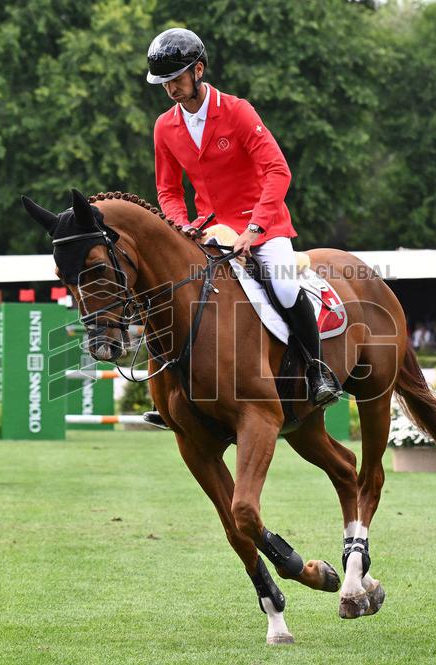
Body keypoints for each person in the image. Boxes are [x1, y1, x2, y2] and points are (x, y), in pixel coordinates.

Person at [146, 28, 341, 407]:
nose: (170, 88)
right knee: (171, 289)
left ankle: (318, 370)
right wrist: (180, 225)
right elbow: (168, 191)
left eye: (176, 78)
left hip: (262, 226)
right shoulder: (164, 127)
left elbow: (278, 171)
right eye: (164, 82)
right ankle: (172, 393)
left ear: (198, 70)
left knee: (283, 286)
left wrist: (254, 229)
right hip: (209, 231)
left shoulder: (237, 111)